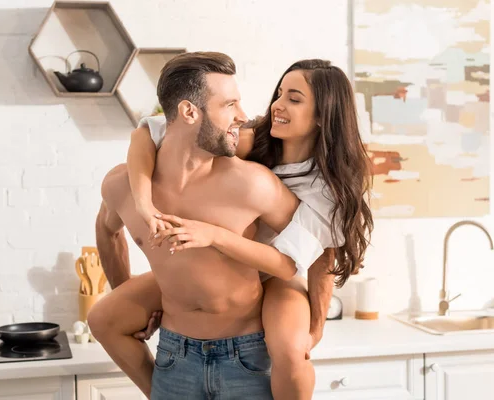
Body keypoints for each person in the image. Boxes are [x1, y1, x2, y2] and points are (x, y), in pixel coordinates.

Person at [90, 58, 374, 399]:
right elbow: (149, 131)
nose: (276, 105)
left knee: (290, 348)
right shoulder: (249, 142)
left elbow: (315, 257)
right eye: (280, 94)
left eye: (294, 99)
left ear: (322, 116)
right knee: (104, 316)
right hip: (199, 316)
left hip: (280, 269)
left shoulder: (321, 188)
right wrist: (144, 203)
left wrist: (316, 328)